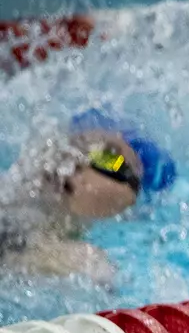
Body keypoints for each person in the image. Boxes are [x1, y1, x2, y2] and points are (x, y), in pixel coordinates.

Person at [0, 109, 176, 281]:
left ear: (128, 202)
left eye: (107, 158)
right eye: (77, 143)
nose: (74, 159)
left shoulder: (87, 266)